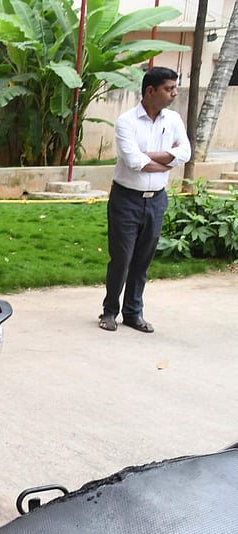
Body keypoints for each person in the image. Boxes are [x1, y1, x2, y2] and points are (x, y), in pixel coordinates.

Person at [99, 66, 190, 334]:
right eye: (169, 89)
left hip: (157, 200)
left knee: (143, 259)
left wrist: (151, 156)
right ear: (150, 91)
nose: (174, 93)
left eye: (174, 88)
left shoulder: (172, 120)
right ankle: (109, 311)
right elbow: (133, 161)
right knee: (122, 258)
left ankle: (133, 313)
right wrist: (166, 159)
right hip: (126, 199)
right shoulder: (126, 121)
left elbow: (184, 153)